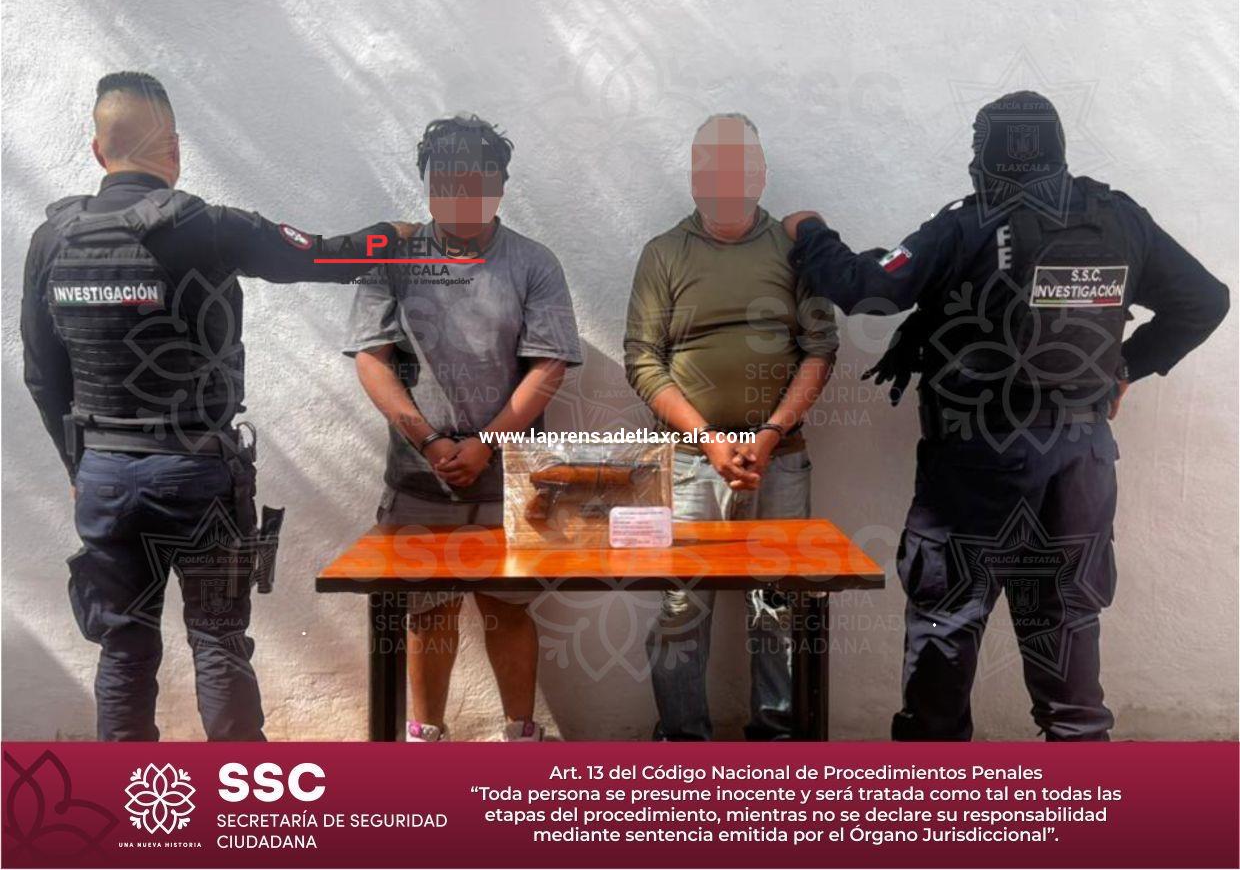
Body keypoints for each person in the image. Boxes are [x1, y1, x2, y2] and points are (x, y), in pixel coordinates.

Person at [784, 90, 1230, 741]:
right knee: (1065, 623)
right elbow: (1205, 300)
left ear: (988, 153)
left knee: (949, 618)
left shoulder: (969, 224)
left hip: (980, 459)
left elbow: (868, 288)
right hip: (1080, 458)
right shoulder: (1118, 218)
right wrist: (1125, 366)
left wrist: (809, 232)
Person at [20, 71, 414, 741]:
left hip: (105, 475)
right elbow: (322, 258)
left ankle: (125, 802)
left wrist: (77, 466)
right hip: (199, 473)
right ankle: (237, 801)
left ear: (97, 150)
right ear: (174, 148)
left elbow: (41, 373)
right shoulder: (206, 227)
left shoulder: (53, 240)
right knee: (218, 641)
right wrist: (395, 235)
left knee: (123, 649)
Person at [346, 113, 581, 743]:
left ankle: (521, 733)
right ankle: (427, 737)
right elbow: (372, 358)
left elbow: (548, 366)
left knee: (509, 608)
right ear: (427, 184)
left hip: (510, 475)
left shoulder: (533, 262)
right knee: (428, 611)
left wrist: (486, 443)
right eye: (445, 182)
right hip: (418, 473)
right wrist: (427, 440)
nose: (460, 196)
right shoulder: (392, 259)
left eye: (475, 182)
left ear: (500, 185)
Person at [624, 113, 838, 741]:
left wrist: (768, 435)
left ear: (760, 174)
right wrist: (708, 439)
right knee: (681, 606)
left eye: (739, 165)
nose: (724, 178)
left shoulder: (795, 252)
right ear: (693, 176)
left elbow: (820, 350)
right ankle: (682, 743)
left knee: (779, 604)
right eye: (710, 166)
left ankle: (775, 743)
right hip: (689, 461)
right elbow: (643, 359)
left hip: (780, 458)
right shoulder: (664, 253)